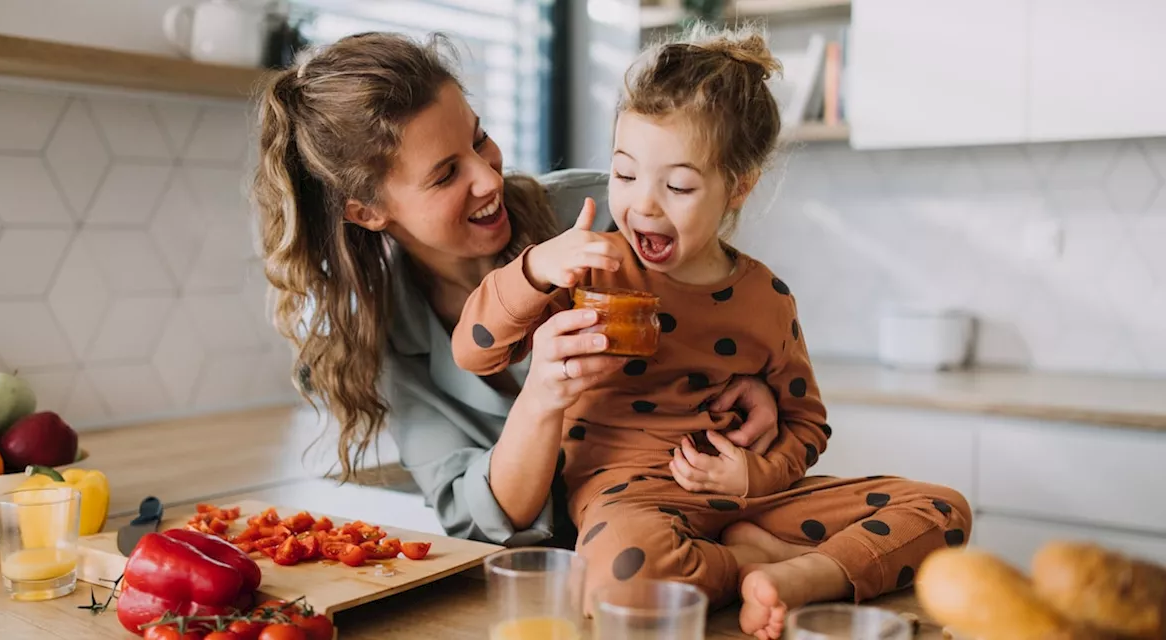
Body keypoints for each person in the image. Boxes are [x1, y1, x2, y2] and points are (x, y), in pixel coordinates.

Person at [449, 25, 971, 639]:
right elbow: (474, 352)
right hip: (631, 500)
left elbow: (807, 425)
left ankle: (804, 575)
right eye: (624, 174)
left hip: (755, 502)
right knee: (615, 582)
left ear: (737, 187)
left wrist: (757, 477)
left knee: (943, 510)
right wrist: (534, 268)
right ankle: (755, 566)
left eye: (677, 186)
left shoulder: (766, 298)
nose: (642, 204)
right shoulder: (591, 263)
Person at [250, 31, 783, 554]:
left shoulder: (604, 206)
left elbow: (730, 303)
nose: (487, 177)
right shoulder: (389, 332)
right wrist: (544, 398)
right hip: (584, 566)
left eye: (479, 139)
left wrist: (756, 384)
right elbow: (477, 519)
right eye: (445, 175)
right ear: (367, 211)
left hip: (708, 513)